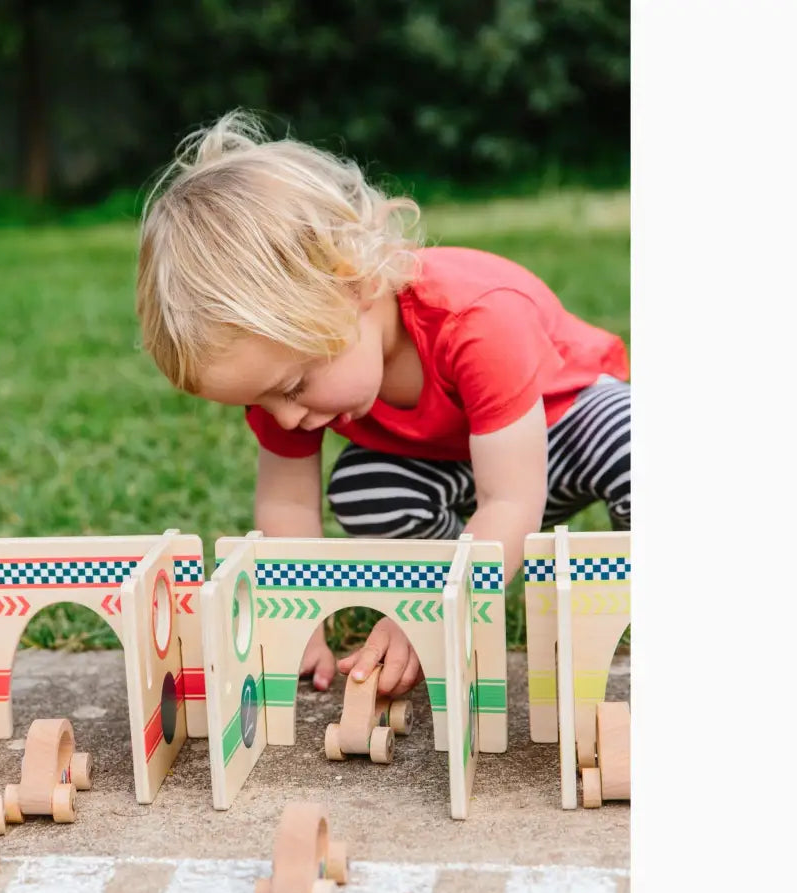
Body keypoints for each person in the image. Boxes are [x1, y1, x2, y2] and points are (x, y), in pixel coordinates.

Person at [136, 109, 630, 701]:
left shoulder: (477, 319)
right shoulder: (285, 373)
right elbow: (288, 500)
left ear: (358, 286)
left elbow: (513, 497)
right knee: (366, 484)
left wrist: (435, 611)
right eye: (262, 401)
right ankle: (440, 584)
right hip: (458, 472)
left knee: (632, 440)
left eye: (294, 387)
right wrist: (297, 624)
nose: (286, 417)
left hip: (561, 434)